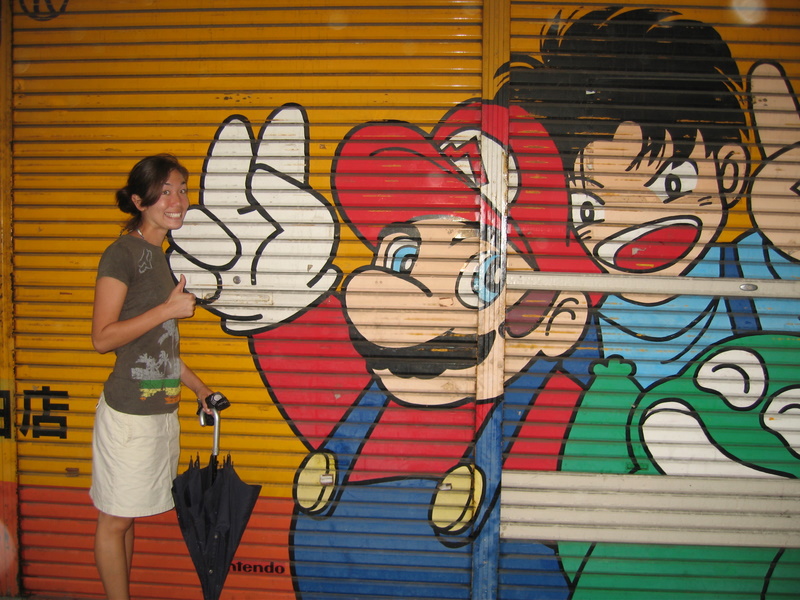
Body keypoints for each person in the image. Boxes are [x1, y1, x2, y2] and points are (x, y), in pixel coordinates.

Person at [90, 154, 217, 600]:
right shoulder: (122, 253)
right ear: (139, 201)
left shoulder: (158, 257)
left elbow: (157, 349)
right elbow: (102, 338)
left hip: (159, 411)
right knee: (115, 520)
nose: (177, 200)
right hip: (129, 414)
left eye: (181, 189)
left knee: (126, 516)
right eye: (164, 192)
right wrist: (167, 309)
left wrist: (200, 389)